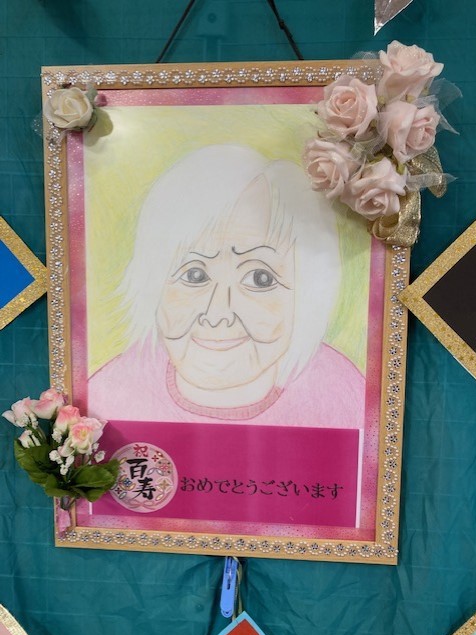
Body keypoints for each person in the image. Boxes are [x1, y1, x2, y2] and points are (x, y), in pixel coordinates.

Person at [88, 144, 365, 427]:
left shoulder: (343, 394)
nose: (218, 313)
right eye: (194, 275)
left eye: (260, 278)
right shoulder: (107, 396)